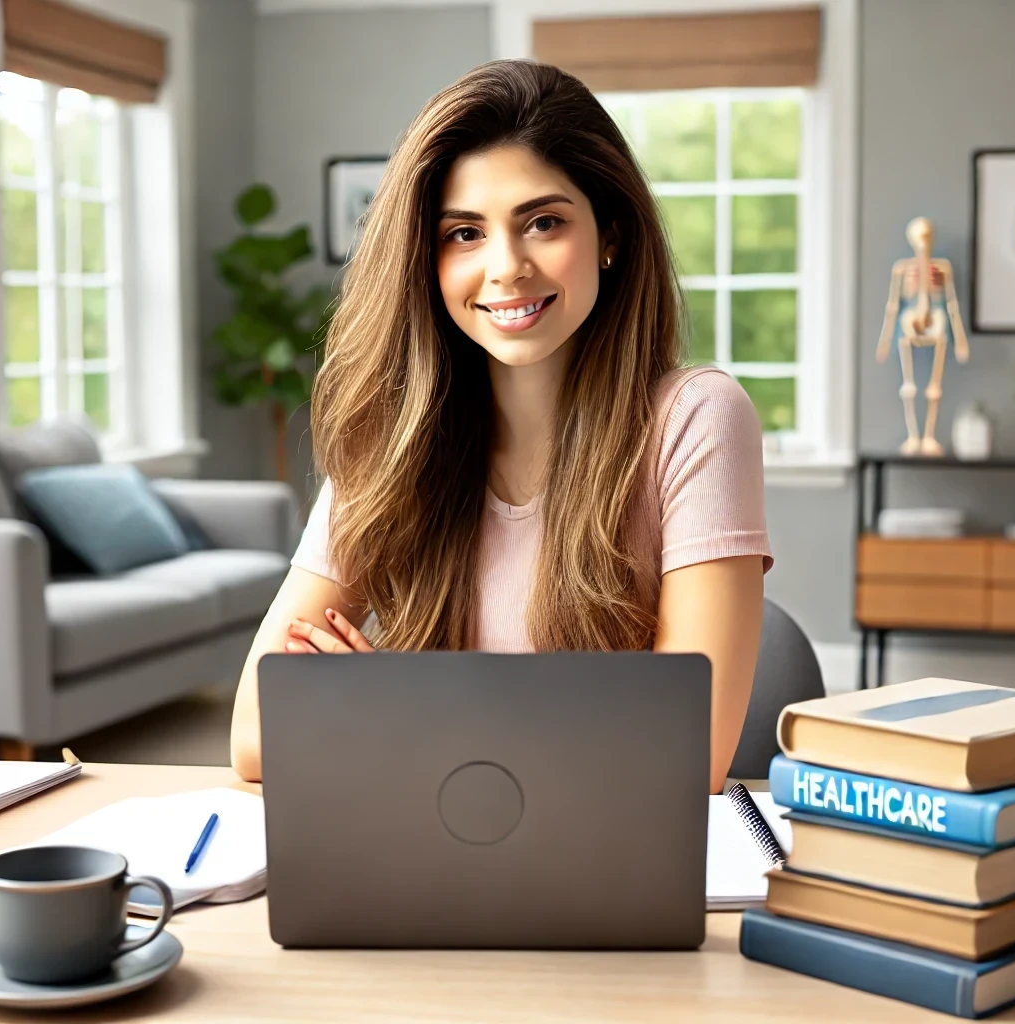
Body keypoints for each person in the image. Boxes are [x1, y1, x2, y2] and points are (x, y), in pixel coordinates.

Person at [229, 60, 771, 793]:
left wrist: (390, 707)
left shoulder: (698, 418)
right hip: (431, 857)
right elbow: (255, 735)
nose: (506, 267)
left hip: (602, 871)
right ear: (425, 259)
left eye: (543, 222)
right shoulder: (391, 439)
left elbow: (687, 755)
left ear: (609, 234)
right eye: (464, 234)